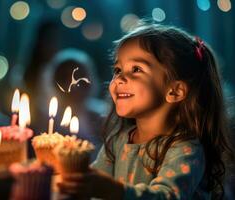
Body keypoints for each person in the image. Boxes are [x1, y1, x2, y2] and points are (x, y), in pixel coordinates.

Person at [57, 23, 234, 199]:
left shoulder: (185, 149)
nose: (119, 79)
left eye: (136, 69)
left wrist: (113, 190)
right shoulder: (117, 141)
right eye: (118, 70)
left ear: (175, 91)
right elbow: (95, 189)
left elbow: (166, 196)